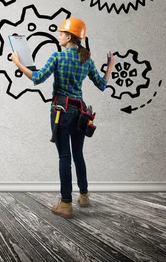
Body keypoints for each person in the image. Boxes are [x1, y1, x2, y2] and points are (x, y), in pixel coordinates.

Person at [10, 17, 115, 219]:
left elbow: (37, 78)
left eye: (61, 34)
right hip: (81, 113)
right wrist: (109, 66)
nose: (58, 36)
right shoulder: (87, 60)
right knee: (78, 155)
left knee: (64, 157)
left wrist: (17, 62)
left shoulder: (57, 57)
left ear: (69, 37)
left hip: (61, 111)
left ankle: (66, 204)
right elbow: (102, 85)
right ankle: (84, 196)